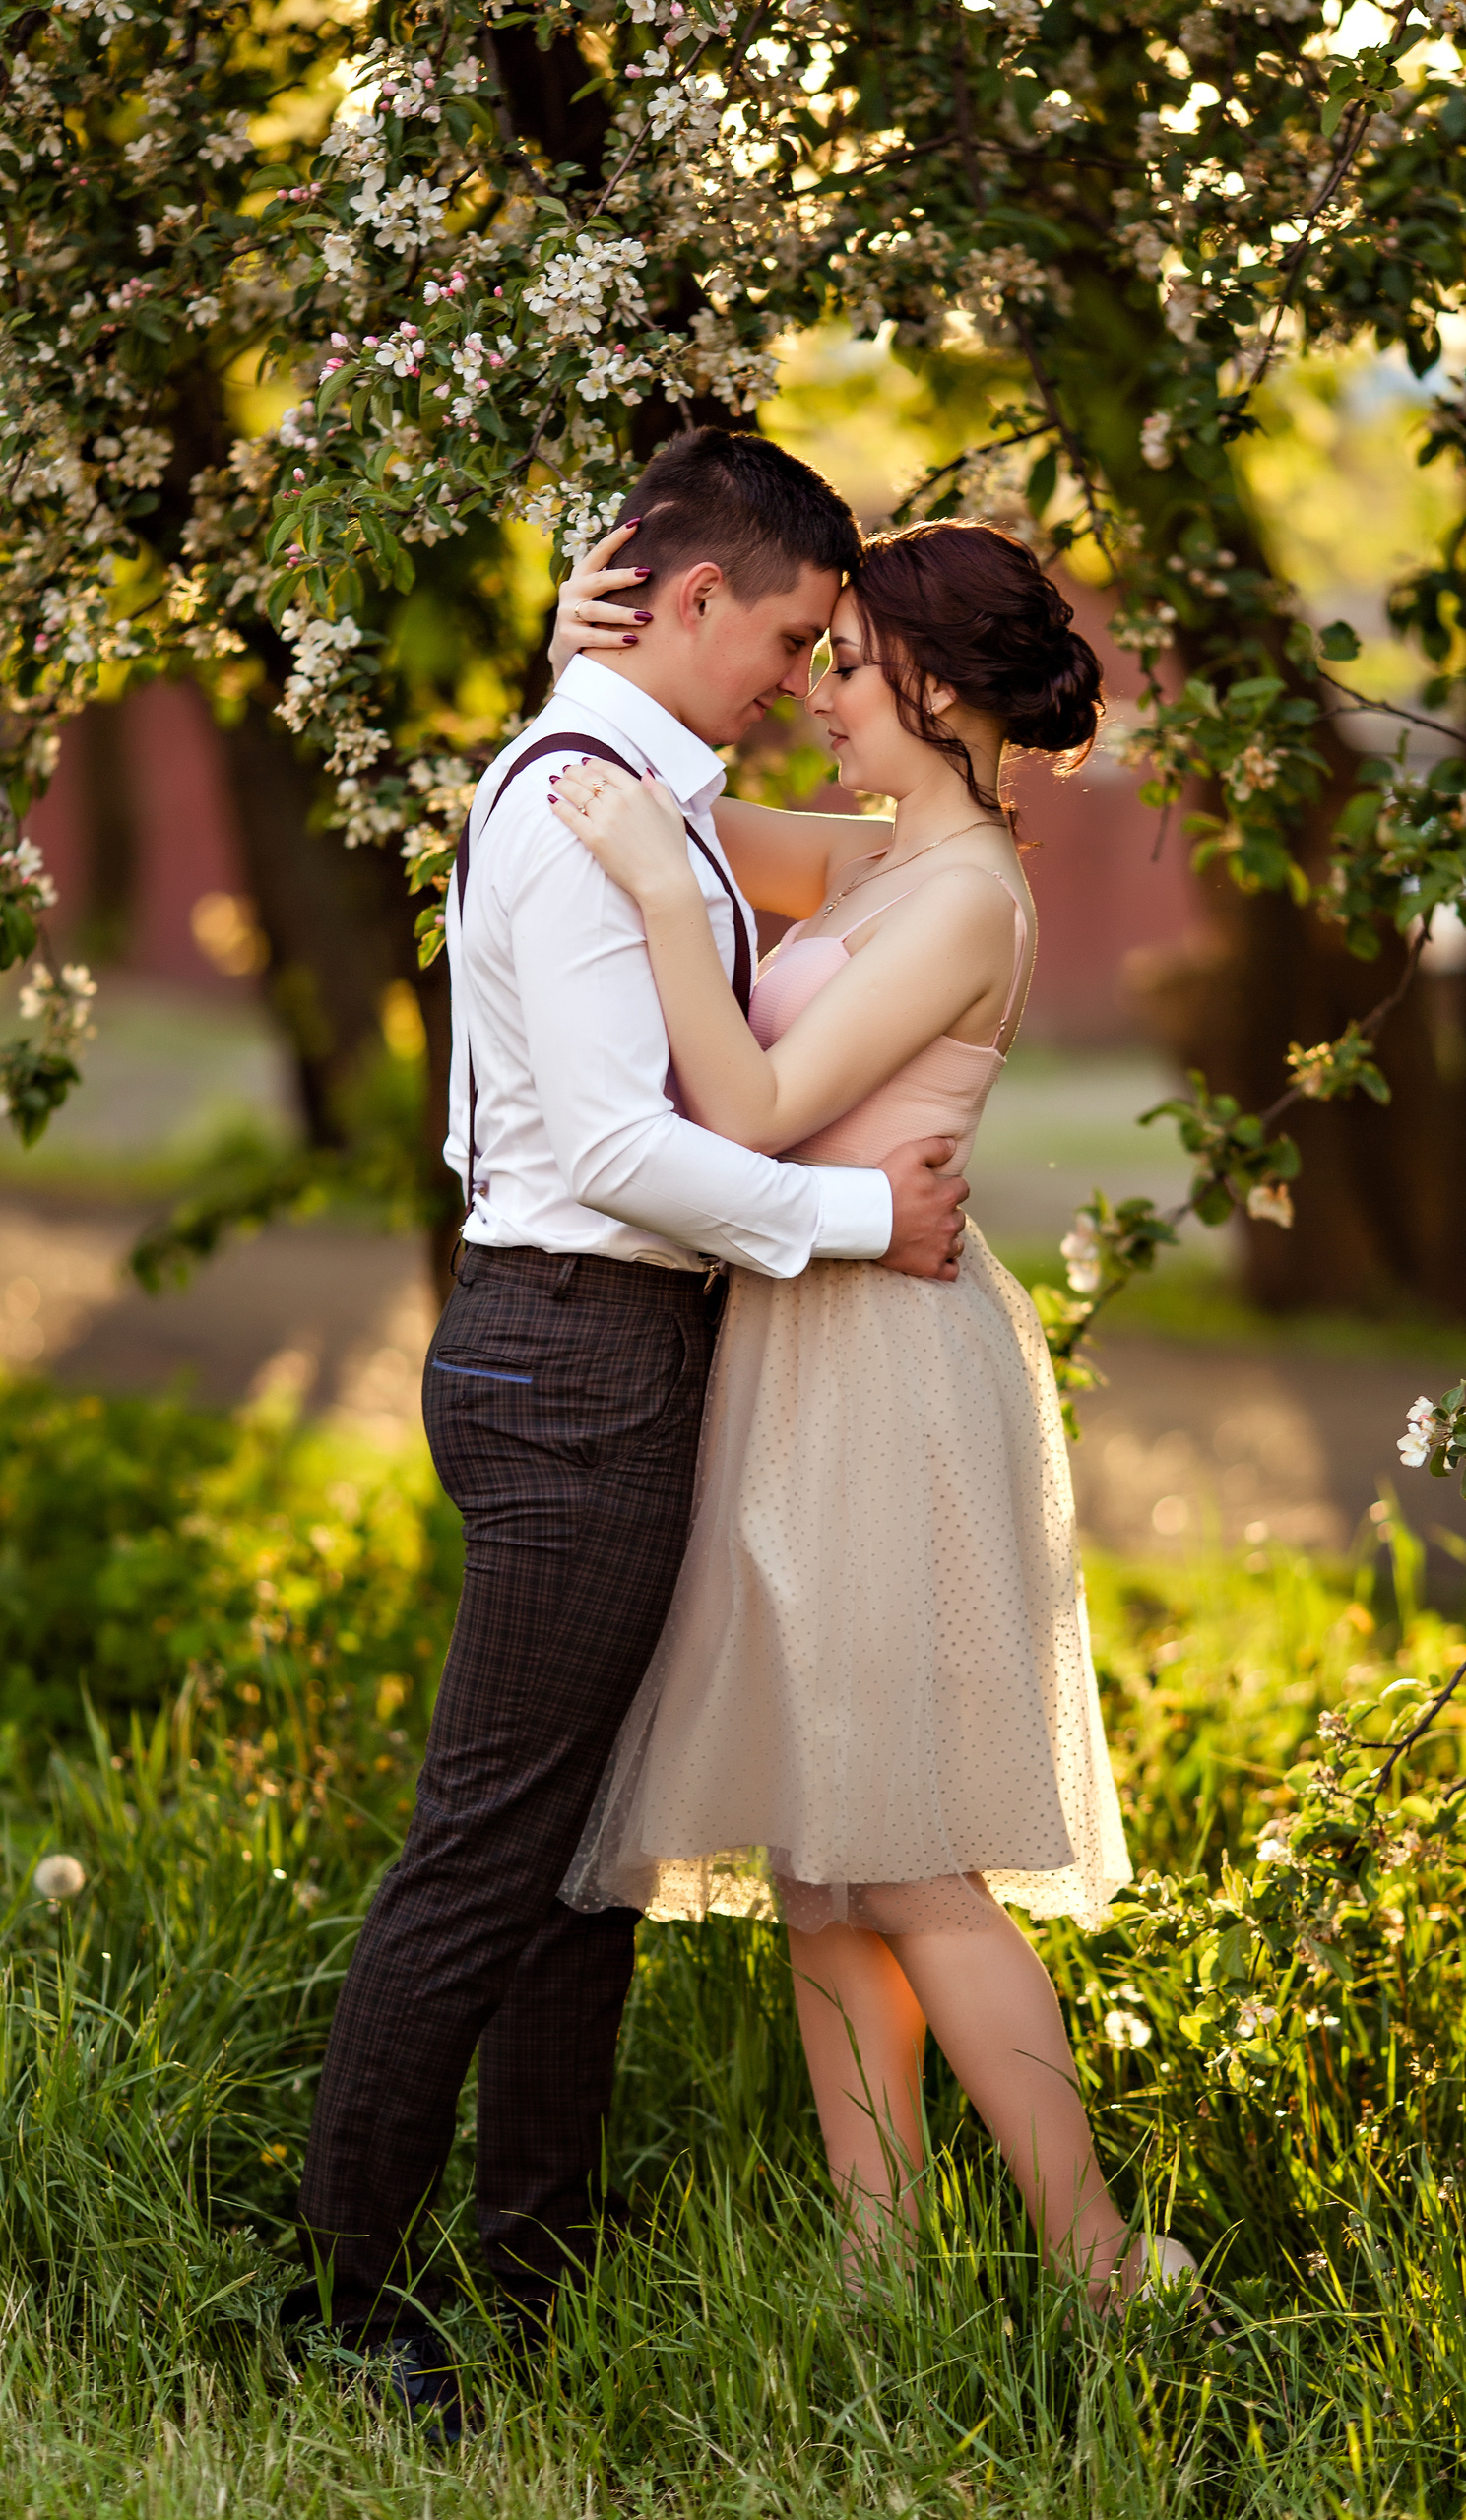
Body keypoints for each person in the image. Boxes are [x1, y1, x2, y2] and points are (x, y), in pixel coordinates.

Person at [289, 429, 971, 2425]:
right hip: (574, 1351)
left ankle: (535, 2264)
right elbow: (609, 1141)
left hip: (612, 1351)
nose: (790, 673)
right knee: (494, 1846)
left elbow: (884, 848)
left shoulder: (637, 789)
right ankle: (336, 2302)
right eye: (779, 633)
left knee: (586, 1851)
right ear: (691, 602)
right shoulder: (578, 799)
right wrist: (863, 1217)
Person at [548, 514, 1200, 2307]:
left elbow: (748, 1109)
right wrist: (578, 663)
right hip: (799, 1353)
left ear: (932, 680)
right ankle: (874, 2259)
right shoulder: (871, 863)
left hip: (891, 1378)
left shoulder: (972, 895)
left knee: (908, 1853)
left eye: (845, 662)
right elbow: (653, 798)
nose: (817, 690)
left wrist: (679, 908)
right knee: (823, 1867)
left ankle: (1095, 2259)